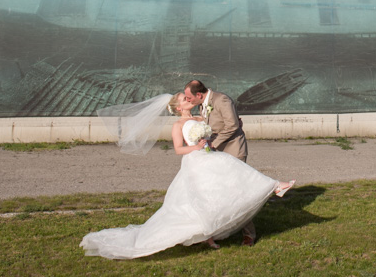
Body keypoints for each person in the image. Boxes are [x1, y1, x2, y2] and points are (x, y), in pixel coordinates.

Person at [81, 92, 294, 259]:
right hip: (196, 161)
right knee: (205, 195)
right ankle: (271, 189)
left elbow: (213, 132)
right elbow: (178, 149)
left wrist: (210, 141)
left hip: (208, 156)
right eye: (185, 99)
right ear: (178, 107)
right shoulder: (178, 125)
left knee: (229, 178)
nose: (188, 99)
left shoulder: (201, 116)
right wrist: (197, 146)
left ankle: (274, 186)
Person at [183, 79, 257, 245]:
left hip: (233, 150)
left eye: (189, 98)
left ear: (199, 94)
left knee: (238, 193)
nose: (189, 101)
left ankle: (249, 234)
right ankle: (223, 228)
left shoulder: (222, 100)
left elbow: (232, 126)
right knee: (220, 192)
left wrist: (213, 143)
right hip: (216, 153)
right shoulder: (202, 104)